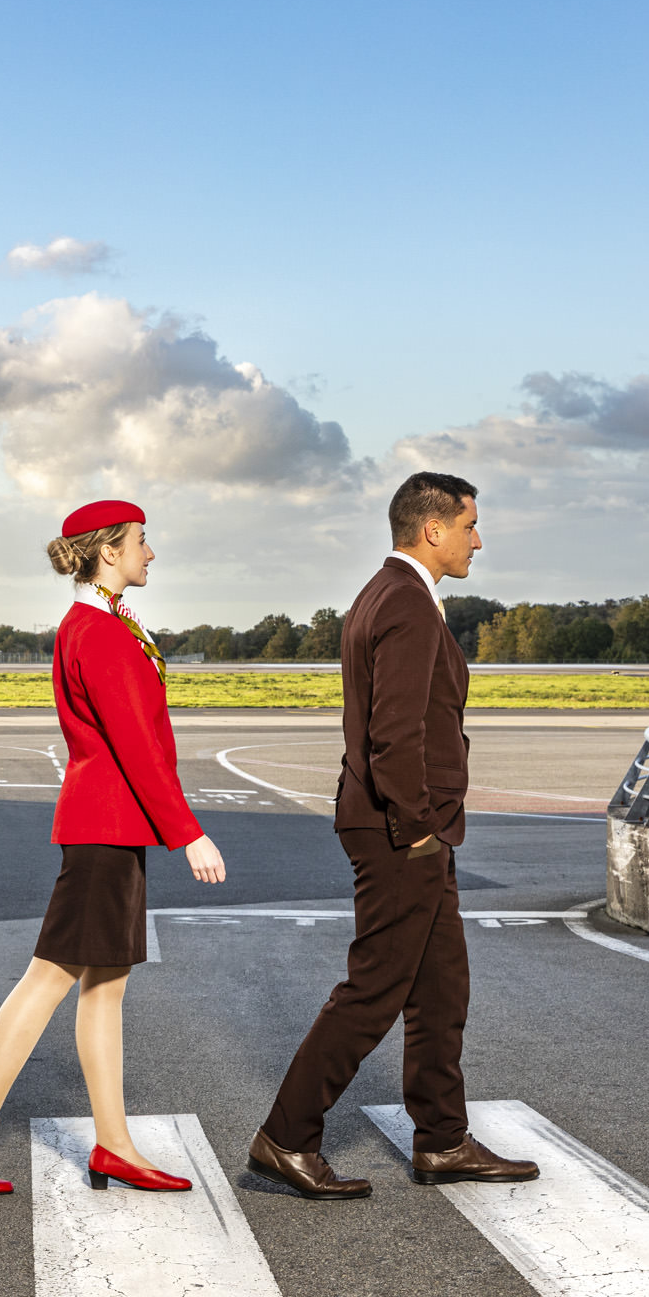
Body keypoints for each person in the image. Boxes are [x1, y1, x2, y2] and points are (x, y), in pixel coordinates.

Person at [248, 472, 539, 1199]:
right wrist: (418, 831)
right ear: (432, 529)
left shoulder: (385, 592)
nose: (479, 538)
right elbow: (394, 734)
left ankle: (442, 1140)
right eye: (470, 524)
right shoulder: (407, 603)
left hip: (406, 826)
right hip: (399, 829)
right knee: (375, 988)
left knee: (442, 988)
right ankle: (286, 1137)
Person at [0, 500, 226, 1195]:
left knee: (106, 985)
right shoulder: (96, 631)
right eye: (142, 542)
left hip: (113, 828)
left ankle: (114, 1145)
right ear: (108, 551)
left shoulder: (107, 623)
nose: (150, 554)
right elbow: (136, 745)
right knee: (51, 977)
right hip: (104, 827)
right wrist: (189, 832)